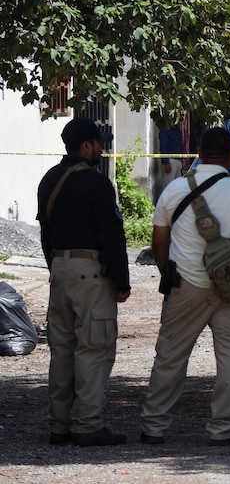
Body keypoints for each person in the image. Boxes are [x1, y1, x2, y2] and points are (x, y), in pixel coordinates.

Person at [140, 127, 230, 446]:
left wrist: (166, 272)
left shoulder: (173, 190)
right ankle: (222, 429)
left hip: (186, 284)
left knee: (170, 355)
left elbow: (159, 240)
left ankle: (154, 427)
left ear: (199, 154)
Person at [36, 117, 131, 447]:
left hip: (59, 270)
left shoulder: (49, 180)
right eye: (98, 143)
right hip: (90, 273)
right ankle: (88, 425)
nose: (101, 149)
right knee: (93, 348)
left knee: (61, 351)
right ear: (87, 146)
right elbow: (112, 235)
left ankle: (58, 426)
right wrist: (121, 280)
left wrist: (55, 267)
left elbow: (45, 233)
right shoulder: (97, 183)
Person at [159, 120, 184, 185]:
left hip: (178, 160)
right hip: (170, 161)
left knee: (178, 185)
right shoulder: (166, 130)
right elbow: (163, 147)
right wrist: (166, 162)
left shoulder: (178, 131)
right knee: (168, 184)